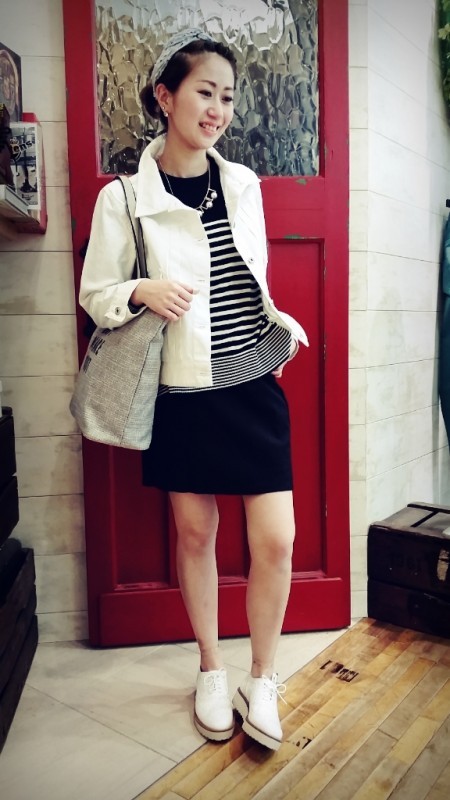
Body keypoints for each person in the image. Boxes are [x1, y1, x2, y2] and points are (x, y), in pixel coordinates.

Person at [79, 27, 309, 752]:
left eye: (228, 97)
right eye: (205, 92)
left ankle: (262, 677)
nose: (218, 110)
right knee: (196, 532)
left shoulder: (242, 184)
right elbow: (96, 293)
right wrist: (141, 289)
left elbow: (252, 277)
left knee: (277, 540)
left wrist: (274, 338)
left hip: (252, 383)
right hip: (181, 389)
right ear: (165, 96)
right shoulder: (124, 198)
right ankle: (211, 667)